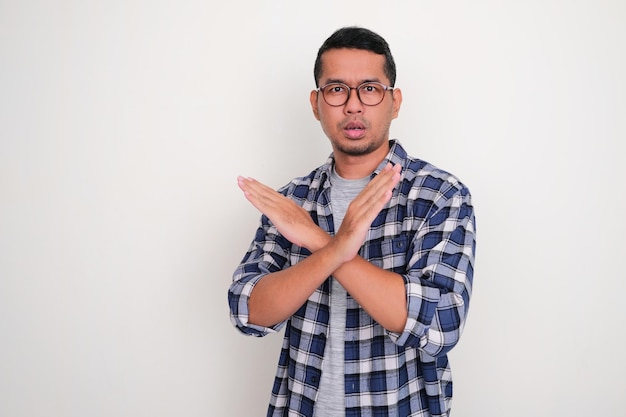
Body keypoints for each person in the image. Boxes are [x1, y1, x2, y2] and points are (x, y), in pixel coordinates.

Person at [228, 26, 476, 417]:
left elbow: (441, 324)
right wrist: (335, 247)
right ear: (316, 103)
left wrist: (317, 240)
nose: (354, 105)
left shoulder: (439, 195)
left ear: (394, 102)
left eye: (370, 89)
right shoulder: (293, 200)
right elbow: (247, 310)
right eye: (337, 89)